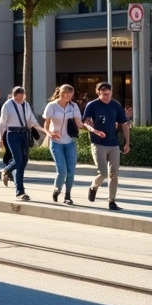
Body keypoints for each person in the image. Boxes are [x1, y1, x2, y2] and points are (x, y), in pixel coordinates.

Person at [42, 84, 100, 205]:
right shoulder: (52, 106)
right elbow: (46, 125)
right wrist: (49, 133)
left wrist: (91, 129)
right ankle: (57, 189)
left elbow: (79, 123)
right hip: (56, 142)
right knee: (62, 171)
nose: (67, 95)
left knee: (71, 171)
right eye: (65, 92)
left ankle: (68, 195)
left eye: (70, 93)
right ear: (60, 93)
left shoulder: (73, 106)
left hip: (69, 142)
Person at [83, 82, 130, 211]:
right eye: (104, 95)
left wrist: (127, 142)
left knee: (114, 174)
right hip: (98, 143)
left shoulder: (115, 105)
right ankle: (93, 187)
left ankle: (111, 201)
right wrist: (95, 131)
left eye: (108, 94)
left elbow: (124, 124)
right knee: (103, 173)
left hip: (113, 144)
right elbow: (86, 123)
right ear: (98, 93)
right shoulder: (92, 105)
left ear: (111, 92)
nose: (106, 97)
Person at [0, 86, 48, 201]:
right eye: (17, 93)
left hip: (24, 133)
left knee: (23, 162)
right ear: (13, 94)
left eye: (21, 93)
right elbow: (2, 123)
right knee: (18, 160)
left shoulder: (26, 105)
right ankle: (6, 170)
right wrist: (1, 138)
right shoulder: (8, 105)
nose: (19, 95)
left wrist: (44, 131)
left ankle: (20, 192)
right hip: (12, 134)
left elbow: (32, 121)